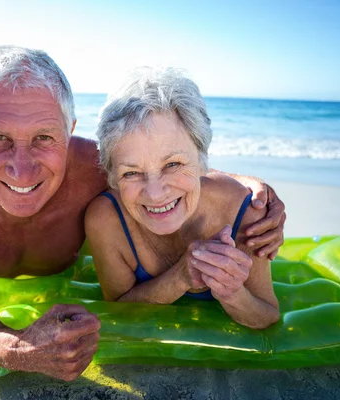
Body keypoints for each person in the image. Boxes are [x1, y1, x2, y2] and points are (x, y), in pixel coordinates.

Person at [0, 45, 286, 381]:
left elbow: (163, 162)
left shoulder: (94, 170)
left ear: (70, 132)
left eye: (45, 137)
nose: (22, 168)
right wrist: (17, 347)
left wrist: (255, 190)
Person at [85, 67, 280, 329]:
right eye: (131, 172)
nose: (155, 193)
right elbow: (118, 314)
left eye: (173, 164)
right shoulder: (106, 219)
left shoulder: (240, 208)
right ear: (112, 176)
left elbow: (267, 314)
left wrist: (233, 294)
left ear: (202, 160)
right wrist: (180, 278)